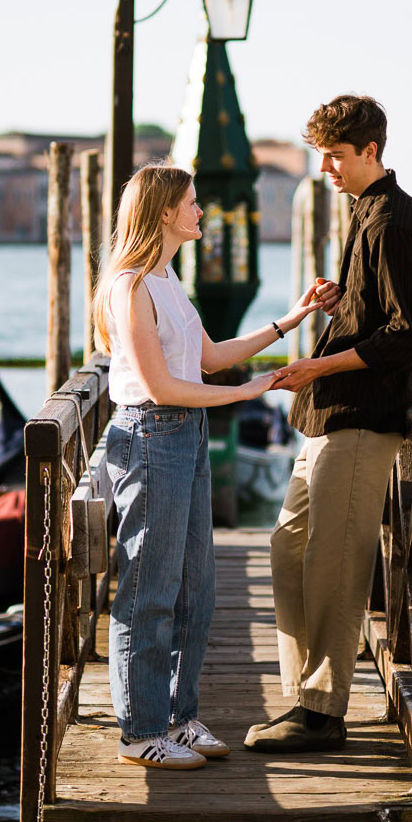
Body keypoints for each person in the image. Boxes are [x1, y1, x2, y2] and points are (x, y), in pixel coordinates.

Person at [96, 163, 326, 770]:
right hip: (151, 434)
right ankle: (139, 732)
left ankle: (179, 717)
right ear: (165, 212)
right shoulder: (129, 286)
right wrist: (247, 394)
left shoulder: (169, 279)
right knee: (150, 590)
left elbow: (209, 356)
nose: (202, 212)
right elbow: (163, 386)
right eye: (193, 204)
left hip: (185, 435)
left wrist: (290, 322)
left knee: (197, 588)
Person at [251, 95, 412, 752]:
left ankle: (324, 714)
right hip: (332, 410)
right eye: (321, 153)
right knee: (289, 547)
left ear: (370, 152)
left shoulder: (394, 221)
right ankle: (304, 699)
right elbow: (377, 312)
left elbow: (406, 336)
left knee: (335, 562)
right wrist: (339, 304)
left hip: (363, 415)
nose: (324, 165)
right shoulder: (365, 213)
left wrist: (313, 365)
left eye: (334, 154)